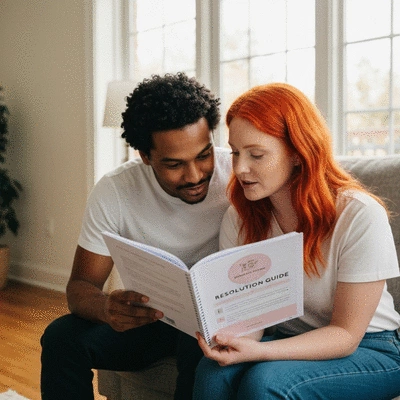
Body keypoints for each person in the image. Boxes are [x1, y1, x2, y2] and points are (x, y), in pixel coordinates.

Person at [193, 83, 400, 399]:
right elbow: (250, 319)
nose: (240, 168)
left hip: (371, 347)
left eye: (256, 154)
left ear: (298, 154)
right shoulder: (240, 216)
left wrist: (259, 352)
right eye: (235, 152)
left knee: (267, 381)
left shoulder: (359, 215)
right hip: (288, 336)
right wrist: (231, 338)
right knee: (213, 373)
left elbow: (345, 335)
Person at [40, 72, 232, 400]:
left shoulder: (237, 176)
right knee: (61, 337)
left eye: (203, 155)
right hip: (151, 320)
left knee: (198, 342)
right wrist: (106, 309)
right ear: (144, 156)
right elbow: (80, 287)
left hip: (215, 322)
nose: (195, 175)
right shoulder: (115, 190)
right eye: (174, 164)